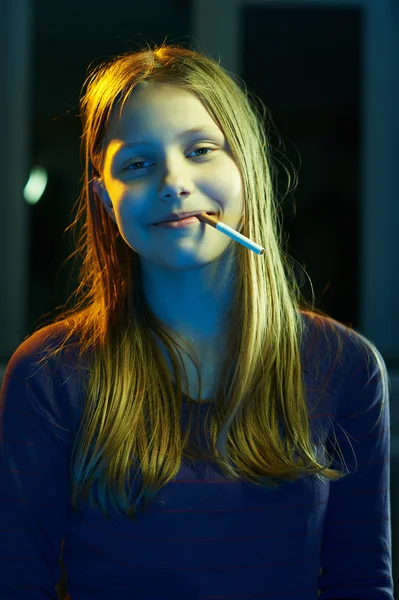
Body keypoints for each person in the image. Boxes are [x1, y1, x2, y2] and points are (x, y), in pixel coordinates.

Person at [0, 42, 393, 600]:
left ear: (246, 167)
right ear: (106, 201)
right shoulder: (48, 371)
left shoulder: (347, 365)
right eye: (137, 164)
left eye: (202, 150)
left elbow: (361, 585)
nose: (173, 182)